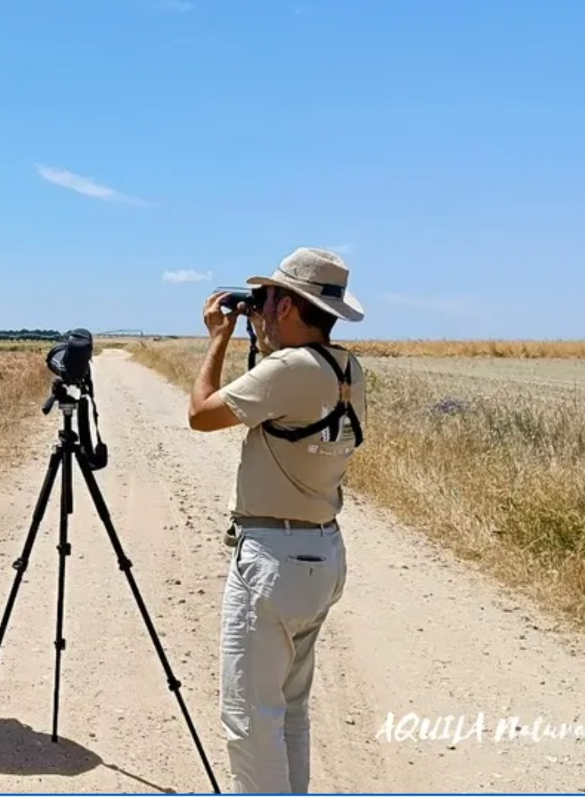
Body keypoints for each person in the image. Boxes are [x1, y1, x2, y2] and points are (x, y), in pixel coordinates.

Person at [185, 247, 368, 794]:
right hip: (322, 554)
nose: (258, 312)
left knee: (249, 719)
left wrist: (219, 337)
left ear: (288, 305)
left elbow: (201, 415)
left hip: (273, 560)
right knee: (289, 709)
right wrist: (258, 337)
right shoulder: (345, 368)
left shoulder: (289, 368)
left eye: (265, 302)